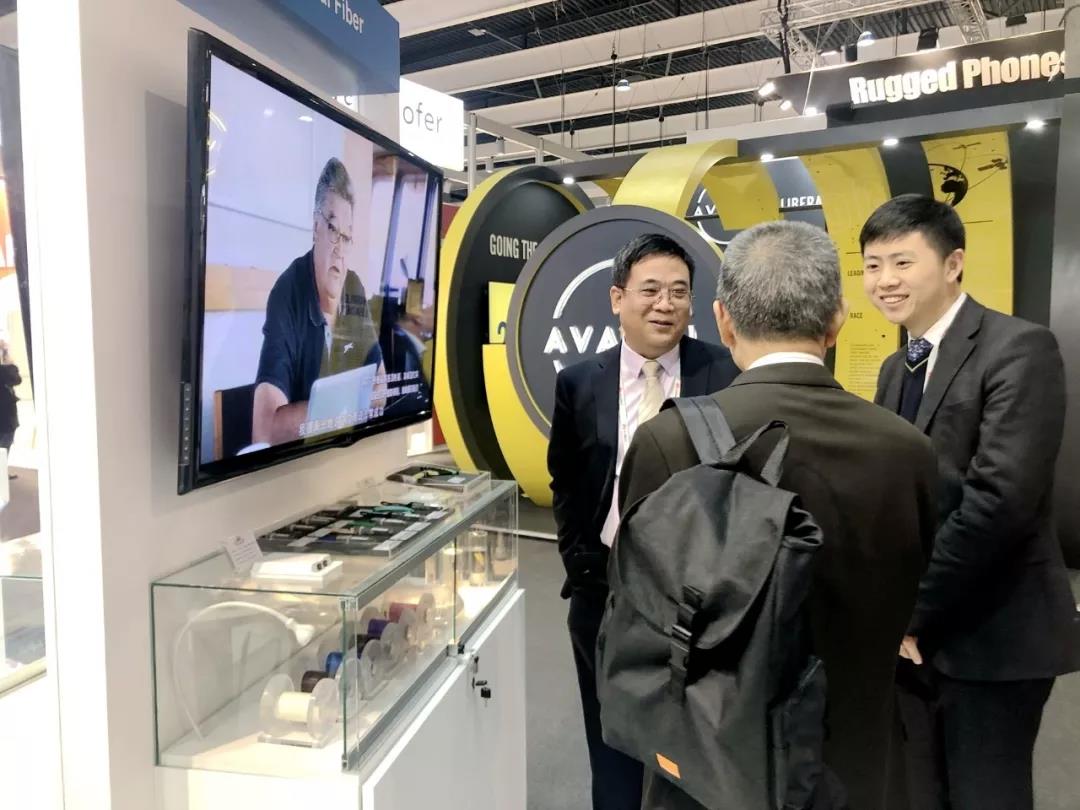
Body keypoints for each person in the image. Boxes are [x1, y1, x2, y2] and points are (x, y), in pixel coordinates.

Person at [618, 221, 938, 810]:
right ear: (837, 320)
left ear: (723, 321)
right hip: (853, 758)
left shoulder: (668, 441)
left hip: (709, 763)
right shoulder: (908, 451)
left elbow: (641, 606)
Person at [861, 194, 1080, 810]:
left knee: (987, 795)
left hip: (994, 632)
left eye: (902, 262)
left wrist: (911, 610)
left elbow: (1000, 501)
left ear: (953, 263)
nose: (885, 280)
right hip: (913, 644)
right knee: (919, 792)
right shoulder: (894, 368)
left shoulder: (1019, 348)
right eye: (873, 265)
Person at [547, 233, 739, 810]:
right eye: (650, 290)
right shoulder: (580, 382)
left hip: (694, 595)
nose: (665, 304)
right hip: (604, 590)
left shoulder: (725, 373)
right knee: (610, 738)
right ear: (617, 298)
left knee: (690, 748)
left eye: (678, 292)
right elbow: (566, 481)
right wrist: (578, 560)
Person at [252, 157, 383, 445]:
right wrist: (348, 409)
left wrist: (339, 412)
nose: (340, 251)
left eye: (347, 237)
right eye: (334, 230)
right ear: (315, 227)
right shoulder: (287, 292)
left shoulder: (353, 286)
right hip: (298, 463)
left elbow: (381, 385)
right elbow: (265, 430)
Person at [0, 339, 19, 479]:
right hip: (5, 415)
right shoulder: (4, 370)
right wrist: (7, 359)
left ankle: (2, 472)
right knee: (5, 443)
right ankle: (1, 473)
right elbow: (16, 378)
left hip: (6, 414)